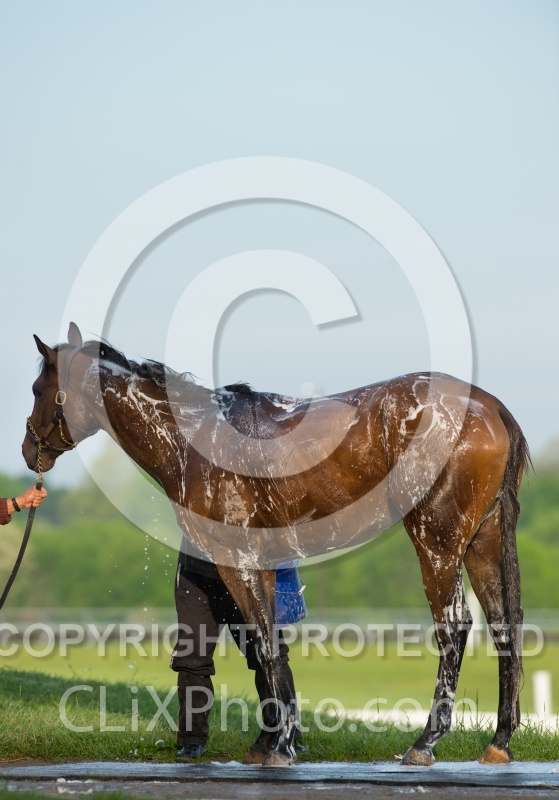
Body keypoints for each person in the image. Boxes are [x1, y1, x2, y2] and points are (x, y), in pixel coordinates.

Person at [171, 549, 306, 762]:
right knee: (191, 657)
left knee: (269, 653)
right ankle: (192, 739)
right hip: (197, 575)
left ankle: (288, 733)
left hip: (247, 571)